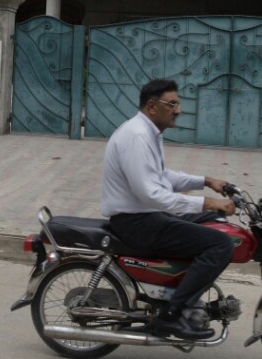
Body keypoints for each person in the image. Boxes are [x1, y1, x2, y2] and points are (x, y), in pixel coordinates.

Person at [101, 78, 237, 340]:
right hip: (136, 222)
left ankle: (176, 291)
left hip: (145, 215)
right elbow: (152, 194)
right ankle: (172, 316)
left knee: (212, 220)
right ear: (152, 107)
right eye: (172, 104)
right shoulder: (137, 136)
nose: (178, 110)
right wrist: (207, 201)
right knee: (220, 244)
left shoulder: (148, 132)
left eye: (178, 103)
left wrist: (206, 181)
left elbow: (162, 177)